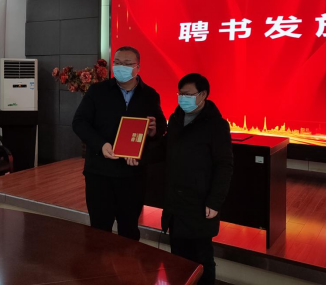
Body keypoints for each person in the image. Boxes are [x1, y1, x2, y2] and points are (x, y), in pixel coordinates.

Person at [72, 46, 167, 241]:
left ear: (137, 67)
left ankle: (128, 262)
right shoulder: (97, 91)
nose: (120, 67)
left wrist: (154, 130)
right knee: (99, 230)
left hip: (132, 175)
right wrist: (101, 145)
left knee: (129, 230)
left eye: (127, 64)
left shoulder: (150, 95)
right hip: (100, 173)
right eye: (117, 63)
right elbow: (79, 122)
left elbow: (160, 128)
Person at [161, 73, 234, 285]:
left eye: (188, 94)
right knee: (177, 257)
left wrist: (215, 201)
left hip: (200, 204)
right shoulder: (175, 119)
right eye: (180, 94)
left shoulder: (217, 125)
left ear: (203, 95)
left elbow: (224, 165)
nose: (182, 98)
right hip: (175, 203)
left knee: (202, 258)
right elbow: (166, 151)